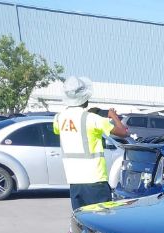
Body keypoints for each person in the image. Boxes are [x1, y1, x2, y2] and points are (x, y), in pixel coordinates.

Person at [53, 76, 128, 209]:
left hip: (74, 180)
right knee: (101, 221)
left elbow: (69, 130)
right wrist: (113, 116)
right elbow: (123, 132)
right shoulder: (92, 119)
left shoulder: (59, 118)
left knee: (81, 221)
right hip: (95, 180)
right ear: (85, 97)